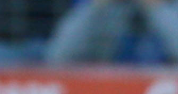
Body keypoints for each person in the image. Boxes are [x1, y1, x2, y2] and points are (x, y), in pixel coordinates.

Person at [47, 0, 178, 64]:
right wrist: (97, 6)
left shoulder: (170, 8)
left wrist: (155, 7)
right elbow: (58, 56)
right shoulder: (103, 10)